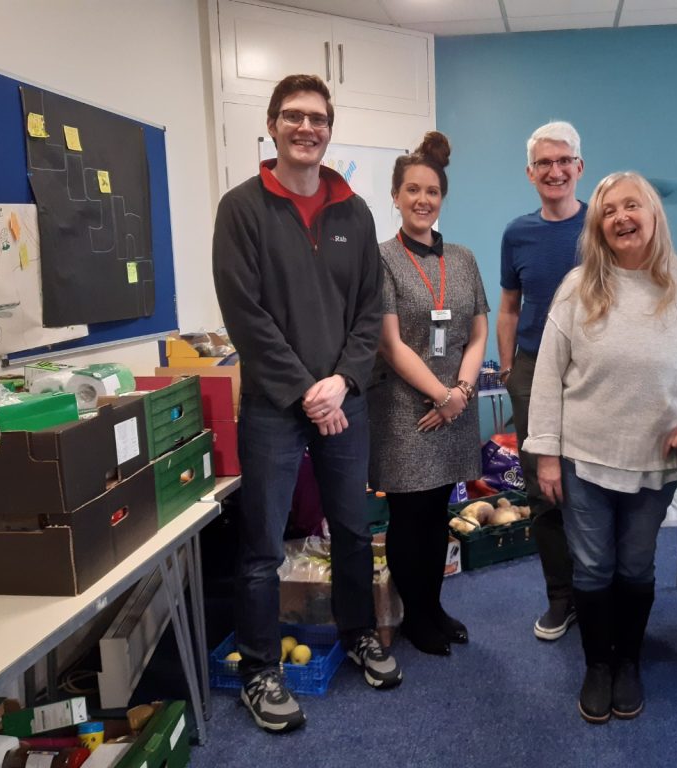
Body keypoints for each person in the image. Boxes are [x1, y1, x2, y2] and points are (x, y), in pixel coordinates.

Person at [212, 73, 402, 735]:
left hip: (342, 400)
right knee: (262, 543)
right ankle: (260, 668)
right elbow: (247, 316)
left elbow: (368, 310)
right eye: (293, 116)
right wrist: (306, 391)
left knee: (352, 530)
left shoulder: (355, 212)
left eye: (317, 118)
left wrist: (343, 384)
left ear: (329, 128)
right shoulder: (240, 209)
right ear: (272, 126)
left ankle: (358, 633)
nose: (306, 128)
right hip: (273, 404)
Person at [524, 171, 677, 724]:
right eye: (608, 210)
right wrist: (546, 452)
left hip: (654, 461)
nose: (620, 217)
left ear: (653, 216)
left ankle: (628, 662)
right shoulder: (578, 287)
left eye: (631, 206)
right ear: (598, 226)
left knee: (636, 568)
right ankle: (598, 665)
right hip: (584, 457)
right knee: (592, 568)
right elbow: (548, 375)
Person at [369, 131, 489, 656]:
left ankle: (435, 607)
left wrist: (461, 390)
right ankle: (416, 616)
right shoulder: (381, 260)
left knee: (439, 511)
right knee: (409, 517)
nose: (422, 200)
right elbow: (390, 345)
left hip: (456, 402)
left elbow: (479, 330)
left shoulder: (461, 259)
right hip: (405, 408)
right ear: (395, 196)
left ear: (442, 199)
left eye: (432, 192)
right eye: (412, 190)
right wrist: (443, 394)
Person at [498, 121, 585, 641]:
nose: (554, 171)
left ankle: (599, 591)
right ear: (530, 174)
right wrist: (509, 369)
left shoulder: (603, 226)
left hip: (592, 372)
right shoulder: (517, 233)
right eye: (544, 164)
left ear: (579, 167)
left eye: (563, 161)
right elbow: (509, 306)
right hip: (532, 368)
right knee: (543, 489)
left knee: (593, 484)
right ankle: (561, 598)